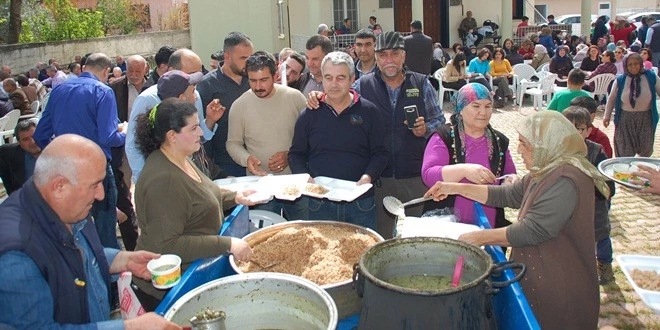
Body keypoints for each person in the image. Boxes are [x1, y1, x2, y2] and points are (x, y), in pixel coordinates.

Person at [425, 110, 608, 329]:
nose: (519, 150)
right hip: (541, 274)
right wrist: (453, 187)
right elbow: (507, 194)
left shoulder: (566, 179)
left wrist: (477, 237)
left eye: (525, 144)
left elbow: (531, 231)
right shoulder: (546, 168)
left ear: (545, 144)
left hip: (560, 288)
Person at [0, 134, 180, 330]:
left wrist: (123, 260)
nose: (101, 195)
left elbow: (77, 253)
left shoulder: (67, 207)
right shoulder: (16, 256)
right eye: (94, 185)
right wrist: (129, 328)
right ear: (59, 186)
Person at [306, 31, 444, 238]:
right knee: (380, 237)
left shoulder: (421, 83)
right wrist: (319, 96)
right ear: (376, 57)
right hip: (379, 178)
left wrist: (426, 129)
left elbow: (440, 121)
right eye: (383, 55)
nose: (389, 60)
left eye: (395, 54)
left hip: (415, 175)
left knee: (418, 236)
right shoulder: (363, 85)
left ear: (404, 56)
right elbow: (338, 98)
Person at [132, 98, 257, 311]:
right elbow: (167, 245)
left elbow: (199, 196)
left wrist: (234, 197)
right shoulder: (164, 180)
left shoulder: (179, 156)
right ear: (172, 136)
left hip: (195, 273)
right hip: (171, 290)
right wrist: (228, 244)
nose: (201, 132)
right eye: (194, 128)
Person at [34, 53, 126, 250]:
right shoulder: (103, 91)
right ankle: (111, 278)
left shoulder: (58, 91)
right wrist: (126, 134)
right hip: (95, 171)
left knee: (73, 229)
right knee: (105, 231)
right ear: (106, 71)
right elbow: (108, 137)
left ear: (84, 68)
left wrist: (58, 155)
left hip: (65, 170)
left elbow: (41, 134)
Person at [289, 52, 389, 230]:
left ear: (352, 79)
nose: (333, 84)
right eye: (328, 77)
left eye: (340, 78)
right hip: (319, 202)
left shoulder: (370, 112)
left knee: (361, 255)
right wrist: (306, 178)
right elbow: (296, 154)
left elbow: (380, 153)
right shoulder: (309, 114)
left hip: (361, 202)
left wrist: (369, 176)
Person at [226, 51, 307, 219]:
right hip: (260, 185)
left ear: (275, 75)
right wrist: (247, 159)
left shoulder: (295, 98)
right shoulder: (239, 105)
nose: (257, 87)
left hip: (296, 182)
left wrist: (289, 155)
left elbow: (311, 138)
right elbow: (233, 143)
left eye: (263, 80)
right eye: (253, 80)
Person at [422, 83, 515, 227]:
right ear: (460, 109)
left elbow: (509, 173)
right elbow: (428, 175)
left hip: (488, 223)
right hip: (449, 223)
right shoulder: (444, 137)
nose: (483, 112)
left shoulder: (499, 140)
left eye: (488, 106)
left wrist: (510, 182)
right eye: (476, 106)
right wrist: (465, 170)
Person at [128, 49, 225, 182]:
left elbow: (200, 136)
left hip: (188, 171)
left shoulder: (194, 94)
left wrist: (210, 120)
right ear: (171, 70)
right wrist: (144, 178)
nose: (196, 81)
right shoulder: (147, 99)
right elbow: (132, 145)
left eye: (198, 74)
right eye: (191, 74)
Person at [563, 106, 616, 284]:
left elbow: (608, 188)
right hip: (567, 209)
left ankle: (605, 265)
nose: (573, 133)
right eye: (567, 127)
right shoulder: (556, 151)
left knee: (601, 237)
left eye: (579, 129)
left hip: (595, 208)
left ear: (588, 131)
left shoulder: (596, 151)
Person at [197, 32, 254, 177]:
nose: (248, 63)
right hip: (225, 165)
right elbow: (201, 130)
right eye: (243, 58)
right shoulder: (207, 85)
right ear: (227, 57)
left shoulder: (254, 81)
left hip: (256, 159)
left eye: (250, 58)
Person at [604, 53, 660, 157]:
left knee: (645, 150)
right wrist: (606, 116)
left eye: (636, 64)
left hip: (646, 118)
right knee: (624, 150)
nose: (633, 67)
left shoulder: (651, 76)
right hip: (625, 119)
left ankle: (640, 171)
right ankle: (625, 172)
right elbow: (612, 99)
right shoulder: (620, 79)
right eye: (630, 64)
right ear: (625, 65)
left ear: (641, 64)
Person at [0, 120, 41, 195]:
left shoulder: (57, 151)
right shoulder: (7, 153)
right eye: (26, 139)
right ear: (19, 143)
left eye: (35, 136)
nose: (33, 142)